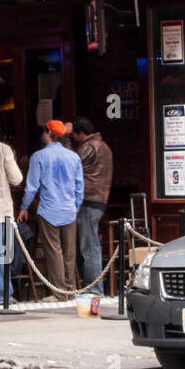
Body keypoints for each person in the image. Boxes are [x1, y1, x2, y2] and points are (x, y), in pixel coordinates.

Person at [18, 119, 84, 301]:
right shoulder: (74, 157)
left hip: (49, 209)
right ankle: (69, 290)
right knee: (69, 251)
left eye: (44, 131)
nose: (42, 134)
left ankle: (59, 292)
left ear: (49, 133)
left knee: (54, 251)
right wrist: (75, 206)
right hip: (69, 210)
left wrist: (24, 207)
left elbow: (32, 187)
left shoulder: (38, 157)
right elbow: (80, 187)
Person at [73, 115, 114, 296]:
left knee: (89, 246)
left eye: (74, 135)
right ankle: (92, 286)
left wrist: (64, 139)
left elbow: (72, 163)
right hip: (100, 200)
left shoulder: (90, 146)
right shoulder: (104, 146)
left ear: (81, 133)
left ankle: (94, 289)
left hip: (89, 200)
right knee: (90, 244)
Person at [0, 118, 23, 307]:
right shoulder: (3, 150)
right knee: (1, 255)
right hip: (0, 210)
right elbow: (17, 179)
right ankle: (3, 294)